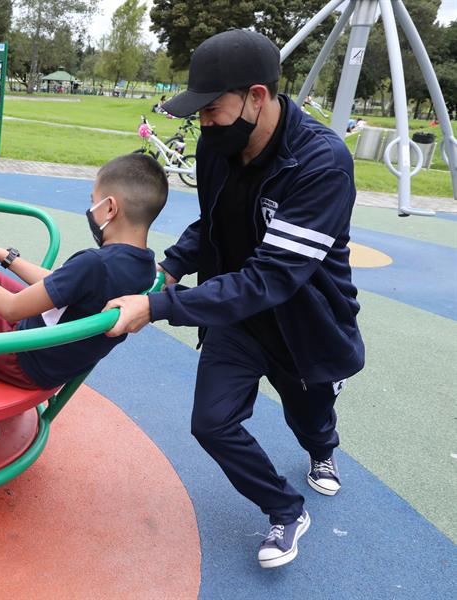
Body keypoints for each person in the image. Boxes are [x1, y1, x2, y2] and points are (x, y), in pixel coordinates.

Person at [104, 30, 364, 569]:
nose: (203, 124)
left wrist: (158, 307)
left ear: (257, 97)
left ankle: (322, 451)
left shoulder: (321, 164)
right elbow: (212, 224)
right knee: (212, 422)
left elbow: (272, 279)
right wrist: (170, 268)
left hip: (301, 323)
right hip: (235, 319)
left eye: (212, 110)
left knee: (310, 419)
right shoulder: (217, 148)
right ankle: (285, 509)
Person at [0, 152, 168, 476]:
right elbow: (61, 286)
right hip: (55, 351)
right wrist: (2, 255)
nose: (91, 210)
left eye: (93, 201)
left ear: (110, 208)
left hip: (27, 357)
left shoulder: (94, 263)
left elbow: (11, 308)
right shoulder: (144, 267)